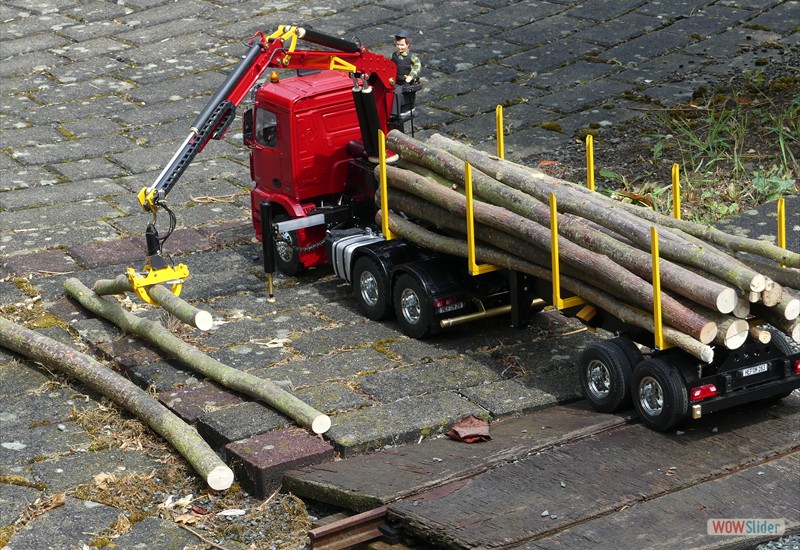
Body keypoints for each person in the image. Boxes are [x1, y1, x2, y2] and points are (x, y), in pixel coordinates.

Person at [390, 29, 421, 121]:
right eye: (398, 45)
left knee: (397, 92)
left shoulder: (412, 57)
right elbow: (390, 65)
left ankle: (395, 113)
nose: (399, 47)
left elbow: (417, 66)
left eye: (402, 45)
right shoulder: (394, 55)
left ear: (408, 44)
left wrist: (411, 76)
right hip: (396, 80)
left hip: (406, 82)